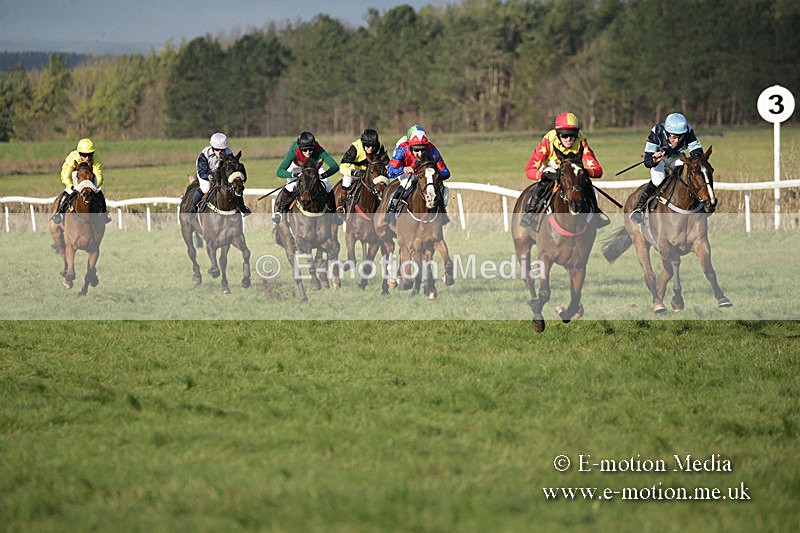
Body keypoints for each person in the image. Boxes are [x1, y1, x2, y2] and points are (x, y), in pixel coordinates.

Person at [521, 112, 607, 230]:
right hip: (551, 167)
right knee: (544, 184)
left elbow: (598, 170)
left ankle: (596, 215)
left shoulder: (582, 140)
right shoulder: (548, 141)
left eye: (572, 135)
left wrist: (586, 172)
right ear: (557, 134)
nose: (569, 139)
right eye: (564, 135)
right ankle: (530, 213)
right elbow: (529, 170)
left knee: (587, 185)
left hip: (573, 169)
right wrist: (544, 175)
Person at [630, 112, 703, 223]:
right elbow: (647, 161)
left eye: (680, 137)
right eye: (673, 137)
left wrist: (694, 159)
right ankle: (639, 209)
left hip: (677, 157)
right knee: (658, 180)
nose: (677, 141)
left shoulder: (688, 131)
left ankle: (698, 205)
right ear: (667, 133)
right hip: (660, 159)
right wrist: (654, 160)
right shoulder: (657, 132)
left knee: (687, 175)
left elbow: (697, 151)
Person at [381, 126, 451, 226]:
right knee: (406, 183)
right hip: (408, 175)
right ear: (410, 147)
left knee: (442, 189)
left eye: (423, 150)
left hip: (426, 176)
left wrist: (434, 174)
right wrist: (403, 169)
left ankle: (442, 213)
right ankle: (390, 212)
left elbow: (445, 172)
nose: (420, 154)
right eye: (416, 150)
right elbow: (390, 172)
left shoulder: (431, 149)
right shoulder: (402, 149)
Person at [273, 131, 340, 224]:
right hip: (297, 167)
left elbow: (335, 166)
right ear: (300, 148)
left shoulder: (318, 148)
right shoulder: (294, 150)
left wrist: (323, 175)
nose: (308, 153)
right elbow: (279, 171)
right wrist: (293, 175)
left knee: (328, 185)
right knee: (291, 186)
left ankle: (333, 214)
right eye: (305, 150)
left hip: (313, 167)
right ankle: (280, 212)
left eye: (311, 150)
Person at [52, 138, 111, 224]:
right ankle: (59, 213)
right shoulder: (73, 158)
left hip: (88, 179)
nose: (87, 158)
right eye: (84, 155)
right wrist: (71, 186)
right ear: (79, 153)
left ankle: (104, 213)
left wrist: (93, 187)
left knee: (99, 192)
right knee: (68, 192)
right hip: (74, 177)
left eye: (90, 155)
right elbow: (65, 176)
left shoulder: (96, 158)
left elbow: (99, 177)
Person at [192, 132, 250, 216]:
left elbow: (230, 168)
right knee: (205, 188)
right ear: (212, 147)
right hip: (205, 174)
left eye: (222, 150)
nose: (220, 152)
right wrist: (210, 176)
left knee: (234, 187)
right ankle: (192, 207)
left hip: (220, 175)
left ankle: (242, 207)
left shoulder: (229, 153)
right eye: (217, 149)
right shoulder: (204, 154)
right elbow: (202, 171)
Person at [337, 128, 389, 218]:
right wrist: (353, 172)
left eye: (373, 146)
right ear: (363, 144)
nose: (371, 149)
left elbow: (386, 163)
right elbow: (342, 167)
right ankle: (342, 206)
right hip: (354, 172)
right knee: (346, 180)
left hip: (371, 173)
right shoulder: (355, 147)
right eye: (368, 146)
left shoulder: (378, 147)